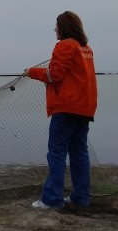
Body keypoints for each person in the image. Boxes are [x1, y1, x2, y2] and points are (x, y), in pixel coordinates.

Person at [24, 11, 98, 209]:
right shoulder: (85, 48)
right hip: (84, 108)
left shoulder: (65, 45)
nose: (54, 29)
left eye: (57, 26)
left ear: (64, 27)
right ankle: (81, 198)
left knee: (56, 153)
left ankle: (51, 199)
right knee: (79, 153)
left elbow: (55, 75)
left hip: (66, 108)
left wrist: (32, 72)